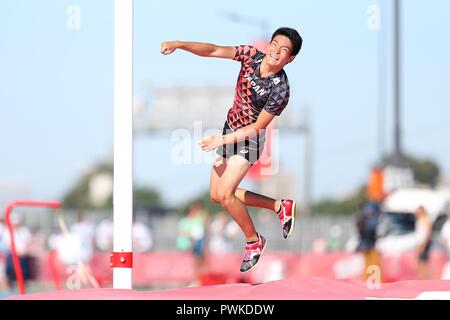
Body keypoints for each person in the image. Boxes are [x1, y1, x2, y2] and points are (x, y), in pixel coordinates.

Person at [161, 27, 302, 272]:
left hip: (249, 139)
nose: (276, 52)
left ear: (290, 59)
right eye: (275, 45)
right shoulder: (250, 56)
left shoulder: (280, 90)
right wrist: (179, 43)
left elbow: (258, 127)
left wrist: (221, 141)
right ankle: (280, 206)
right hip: (230, 129)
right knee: (217, 195)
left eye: (284, 51)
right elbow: (213, 50)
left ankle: (253, 241)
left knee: (227, 193)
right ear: (268, 45)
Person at [355, 202, 382, 281]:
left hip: (368, 245)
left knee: (371, 267)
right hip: (369, 246)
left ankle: (371, 282)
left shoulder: (365, 220)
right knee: (372, 267)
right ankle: (371, 282)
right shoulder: (368, 221)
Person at [415, 206, 432, 280]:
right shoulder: (420, 220)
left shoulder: (425, 220)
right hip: (420, 243)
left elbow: (427, 234)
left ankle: (424, 279)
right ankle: (421, 279)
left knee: (423, 263)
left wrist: (423, 245)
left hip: (423, 243)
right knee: (420, 262)